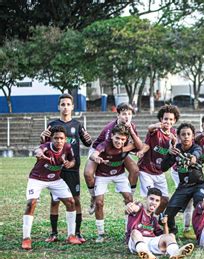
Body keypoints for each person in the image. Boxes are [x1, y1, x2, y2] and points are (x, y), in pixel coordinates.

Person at [40, 93, 92, 243]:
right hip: (55, 168)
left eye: (68, 104)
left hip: (72, 168)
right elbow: (44, 144)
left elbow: (88, 142)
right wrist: (42, 137)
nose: (65, 107)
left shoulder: (77, 125)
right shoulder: (52, 124)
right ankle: (54, 233)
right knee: (55, 200)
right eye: (63, 104)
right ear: (59, 107)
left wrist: (89, 140)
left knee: (75, 199)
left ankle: (77, 232)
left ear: (72, 107)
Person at [22, 126, 81, 250]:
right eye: (56, 138)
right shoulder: (46, 147)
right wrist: (40, 155)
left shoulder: (68, 147)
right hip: (37, 178)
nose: (59, 141)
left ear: (65, 139)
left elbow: (73, 160)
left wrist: (70, 164)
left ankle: (71, 235)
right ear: (51, 139)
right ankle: (26, 238)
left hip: (55, 180)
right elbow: (38, 151)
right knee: (31, 203)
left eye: (61, 138)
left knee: (71, 202)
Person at [84, 102, 142, 214]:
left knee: (135, 170)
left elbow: (138, 146)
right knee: (88, 173)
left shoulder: (131, 126)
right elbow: (108, 149)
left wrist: (132, 134)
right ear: (118, 115)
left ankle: (130, 196)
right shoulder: (110, 129)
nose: (127, 117)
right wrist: (127, 148)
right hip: (100, 150)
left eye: (129, 114)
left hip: (119, 149)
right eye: (124, 114)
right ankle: (93, 197)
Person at [89, 124, 135, 242]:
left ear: (126, 139)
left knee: (129, 199)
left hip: (119, 174)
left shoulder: (128, 145)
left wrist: (138, 151)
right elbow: (94, 154)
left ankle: (127, 231)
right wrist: (96, 158)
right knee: (99, 203)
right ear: (112, 136)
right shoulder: (104, 145)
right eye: (117, 138)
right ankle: (101, 233)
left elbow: (143, 146)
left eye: (122, 139)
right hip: (102, 175)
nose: (119, 141)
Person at [126, 187, 194, 259]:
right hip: (136, 242)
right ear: (146, 198)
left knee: (171, 235)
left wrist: (165, 224)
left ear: (159, 203)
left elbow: (165, 236)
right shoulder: (140, 208)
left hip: (150, 242)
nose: (154, 202)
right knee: (135, 232)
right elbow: (135, 207)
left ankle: (175, 253)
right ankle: (144, 252)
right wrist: (131, 207)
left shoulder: (154, 219)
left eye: (157, 200)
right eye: (151, 199)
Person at [161, 123, 204, 234]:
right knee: (168, 215)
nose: (186, 136)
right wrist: (168, 154)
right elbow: (163, 168)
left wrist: (193, 158)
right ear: (178, 136)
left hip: (198, 185)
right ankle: (172, 230)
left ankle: (202, 231)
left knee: (200, 205)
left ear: (192, 136)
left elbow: (197, 153)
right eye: (183, 134)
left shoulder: (196, 147)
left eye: (188, 134)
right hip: (183, 186)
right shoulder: (176, 150)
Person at [136, 105, 180, 214]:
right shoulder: (156, 130)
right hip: (146, 170)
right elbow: (149, 128)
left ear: (174, 121)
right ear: (161, 119)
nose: (168, 122)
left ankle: (154, 219)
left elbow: (175, 149)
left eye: (171, 119)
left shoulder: (173, 134)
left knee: (165, 200)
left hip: (160, 172)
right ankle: (143, 218)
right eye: (165, 119)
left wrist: (174, 141)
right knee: (152, 198)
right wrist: (155, 125)